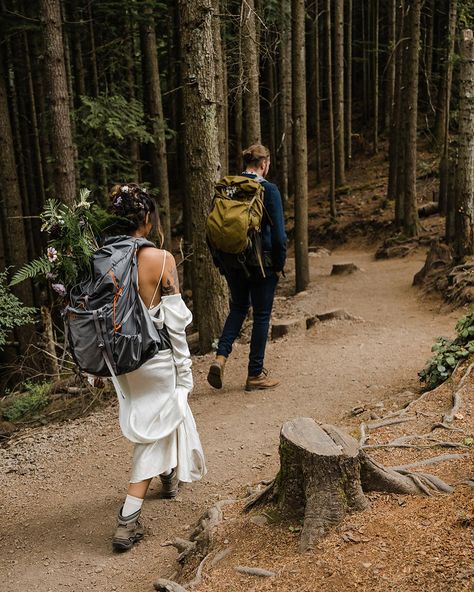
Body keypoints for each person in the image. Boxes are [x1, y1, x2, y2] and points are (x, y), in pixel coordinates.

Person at [105, 183, 206, 552]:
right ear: (146, 220)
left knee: (159, 414)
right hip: (154, 357)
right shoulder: (161, 259)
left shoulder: (99, 258)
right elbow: (175, 323)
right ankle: (127, 520)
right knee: (164, 414)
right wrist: (184, 369)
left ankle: (168, 477)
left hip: (120, 363)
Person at [207, 144, 287, 392]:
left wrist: (220, 262)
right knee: (261, 315)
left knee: (239, 308)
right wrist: (279, 265)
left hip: (232, 261)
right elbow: (280, 236)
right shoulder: (268, 189)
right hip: (261, 264)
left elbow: (214, 227)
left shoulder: (227, 188)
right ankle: (254, 374)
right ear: (264, 164)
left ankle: (220, 358)